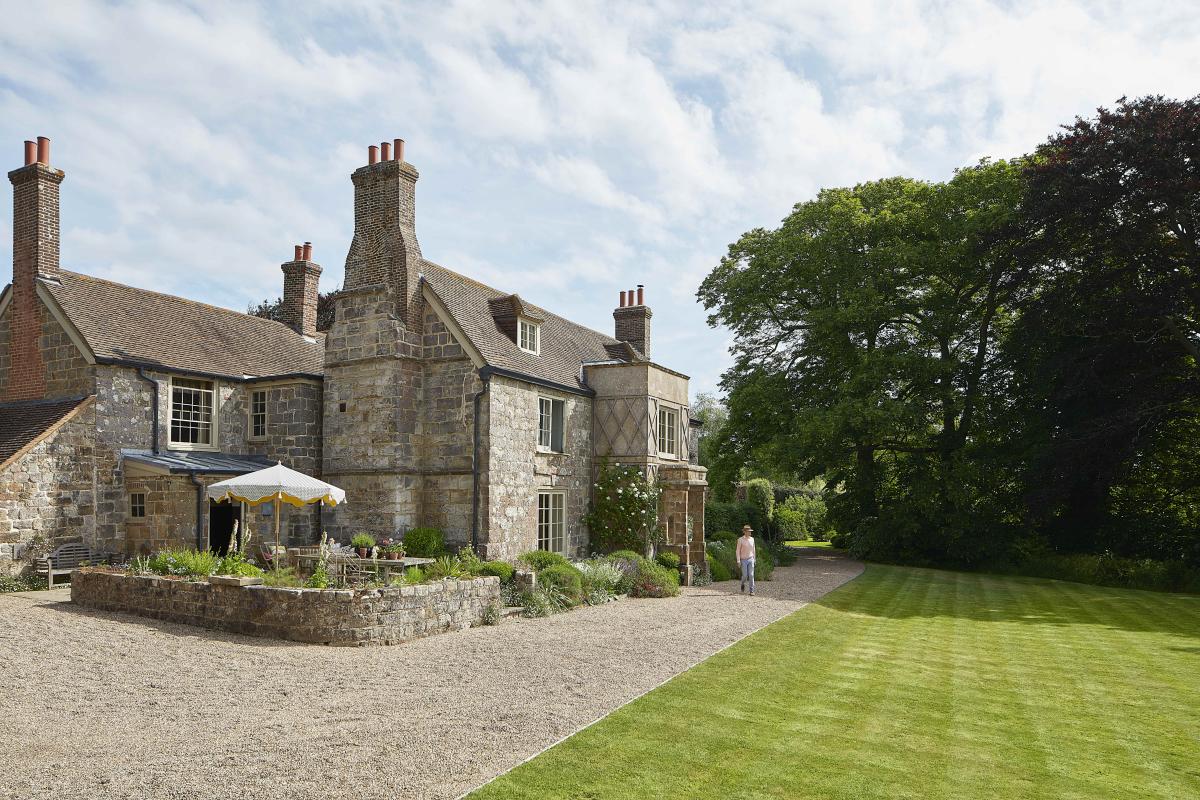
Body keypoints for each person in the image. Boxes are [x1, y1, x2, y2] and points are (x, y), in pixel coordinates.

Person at [736, 525, 756, 595]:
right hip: (743, 560)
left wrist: (754, 559)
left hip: (751, 559)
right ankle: (742, 583)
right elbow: (737, 551)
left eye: (750, 531)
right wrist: (738, 561)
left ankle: (752, 591)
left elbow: (753, 549)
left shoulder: (752, 539)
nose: (750, 532)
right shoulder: (740, 540)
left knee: (751, 575)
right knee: (745, 575)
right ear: (745, 532)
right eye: (749, 531)